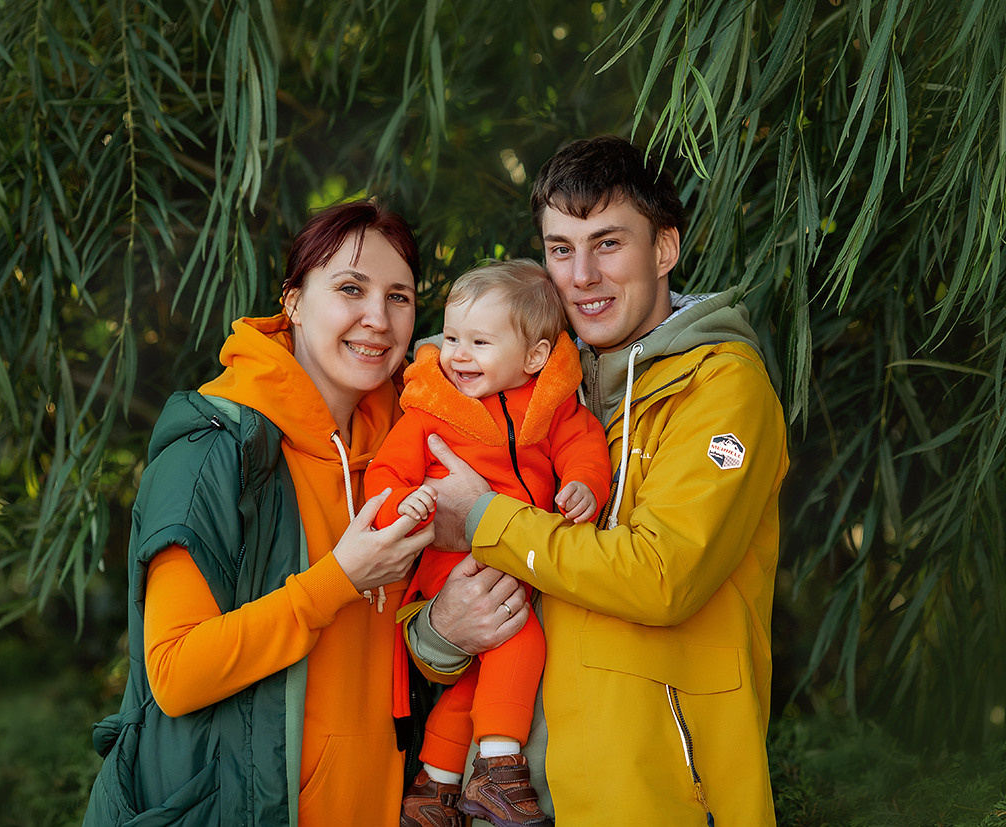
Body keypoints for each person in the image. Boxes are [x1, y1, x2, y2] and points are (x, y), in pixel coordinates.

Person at [407, 135, 790, 824]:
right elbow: (449, 610)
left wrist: (487, 518)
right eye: (560, 248)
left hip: (650, 799)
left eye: (608, 243)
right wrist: (440, 630)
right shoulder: (531, 401)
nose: (581, 275)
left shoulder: (722, 389)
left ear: (664, 250)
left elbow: (660, 575)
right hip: (512, 799)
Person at [81, 200, 437, 827]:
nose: (377, 319)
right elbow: (175, 672)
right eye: (350, 289)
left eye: (399, 296)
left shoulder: (409, 451)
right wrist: (337, 582)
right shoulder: (215, 453)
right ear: (294, 301)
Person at [365, 260, 612, 827]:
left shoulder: (550, 408)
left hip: (517, 555)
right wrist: (406, 506)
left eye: (479, 342)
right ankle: (501, 772)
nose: (458, 354)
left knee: (476, 680)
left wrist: (584, 486)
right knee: (520, 642)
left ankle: (436, 788)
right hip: (453, 567)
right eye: (451, 337)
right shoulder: (433, 409)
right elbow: (387, 472)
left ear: (533, 357)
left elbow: (585, 446)